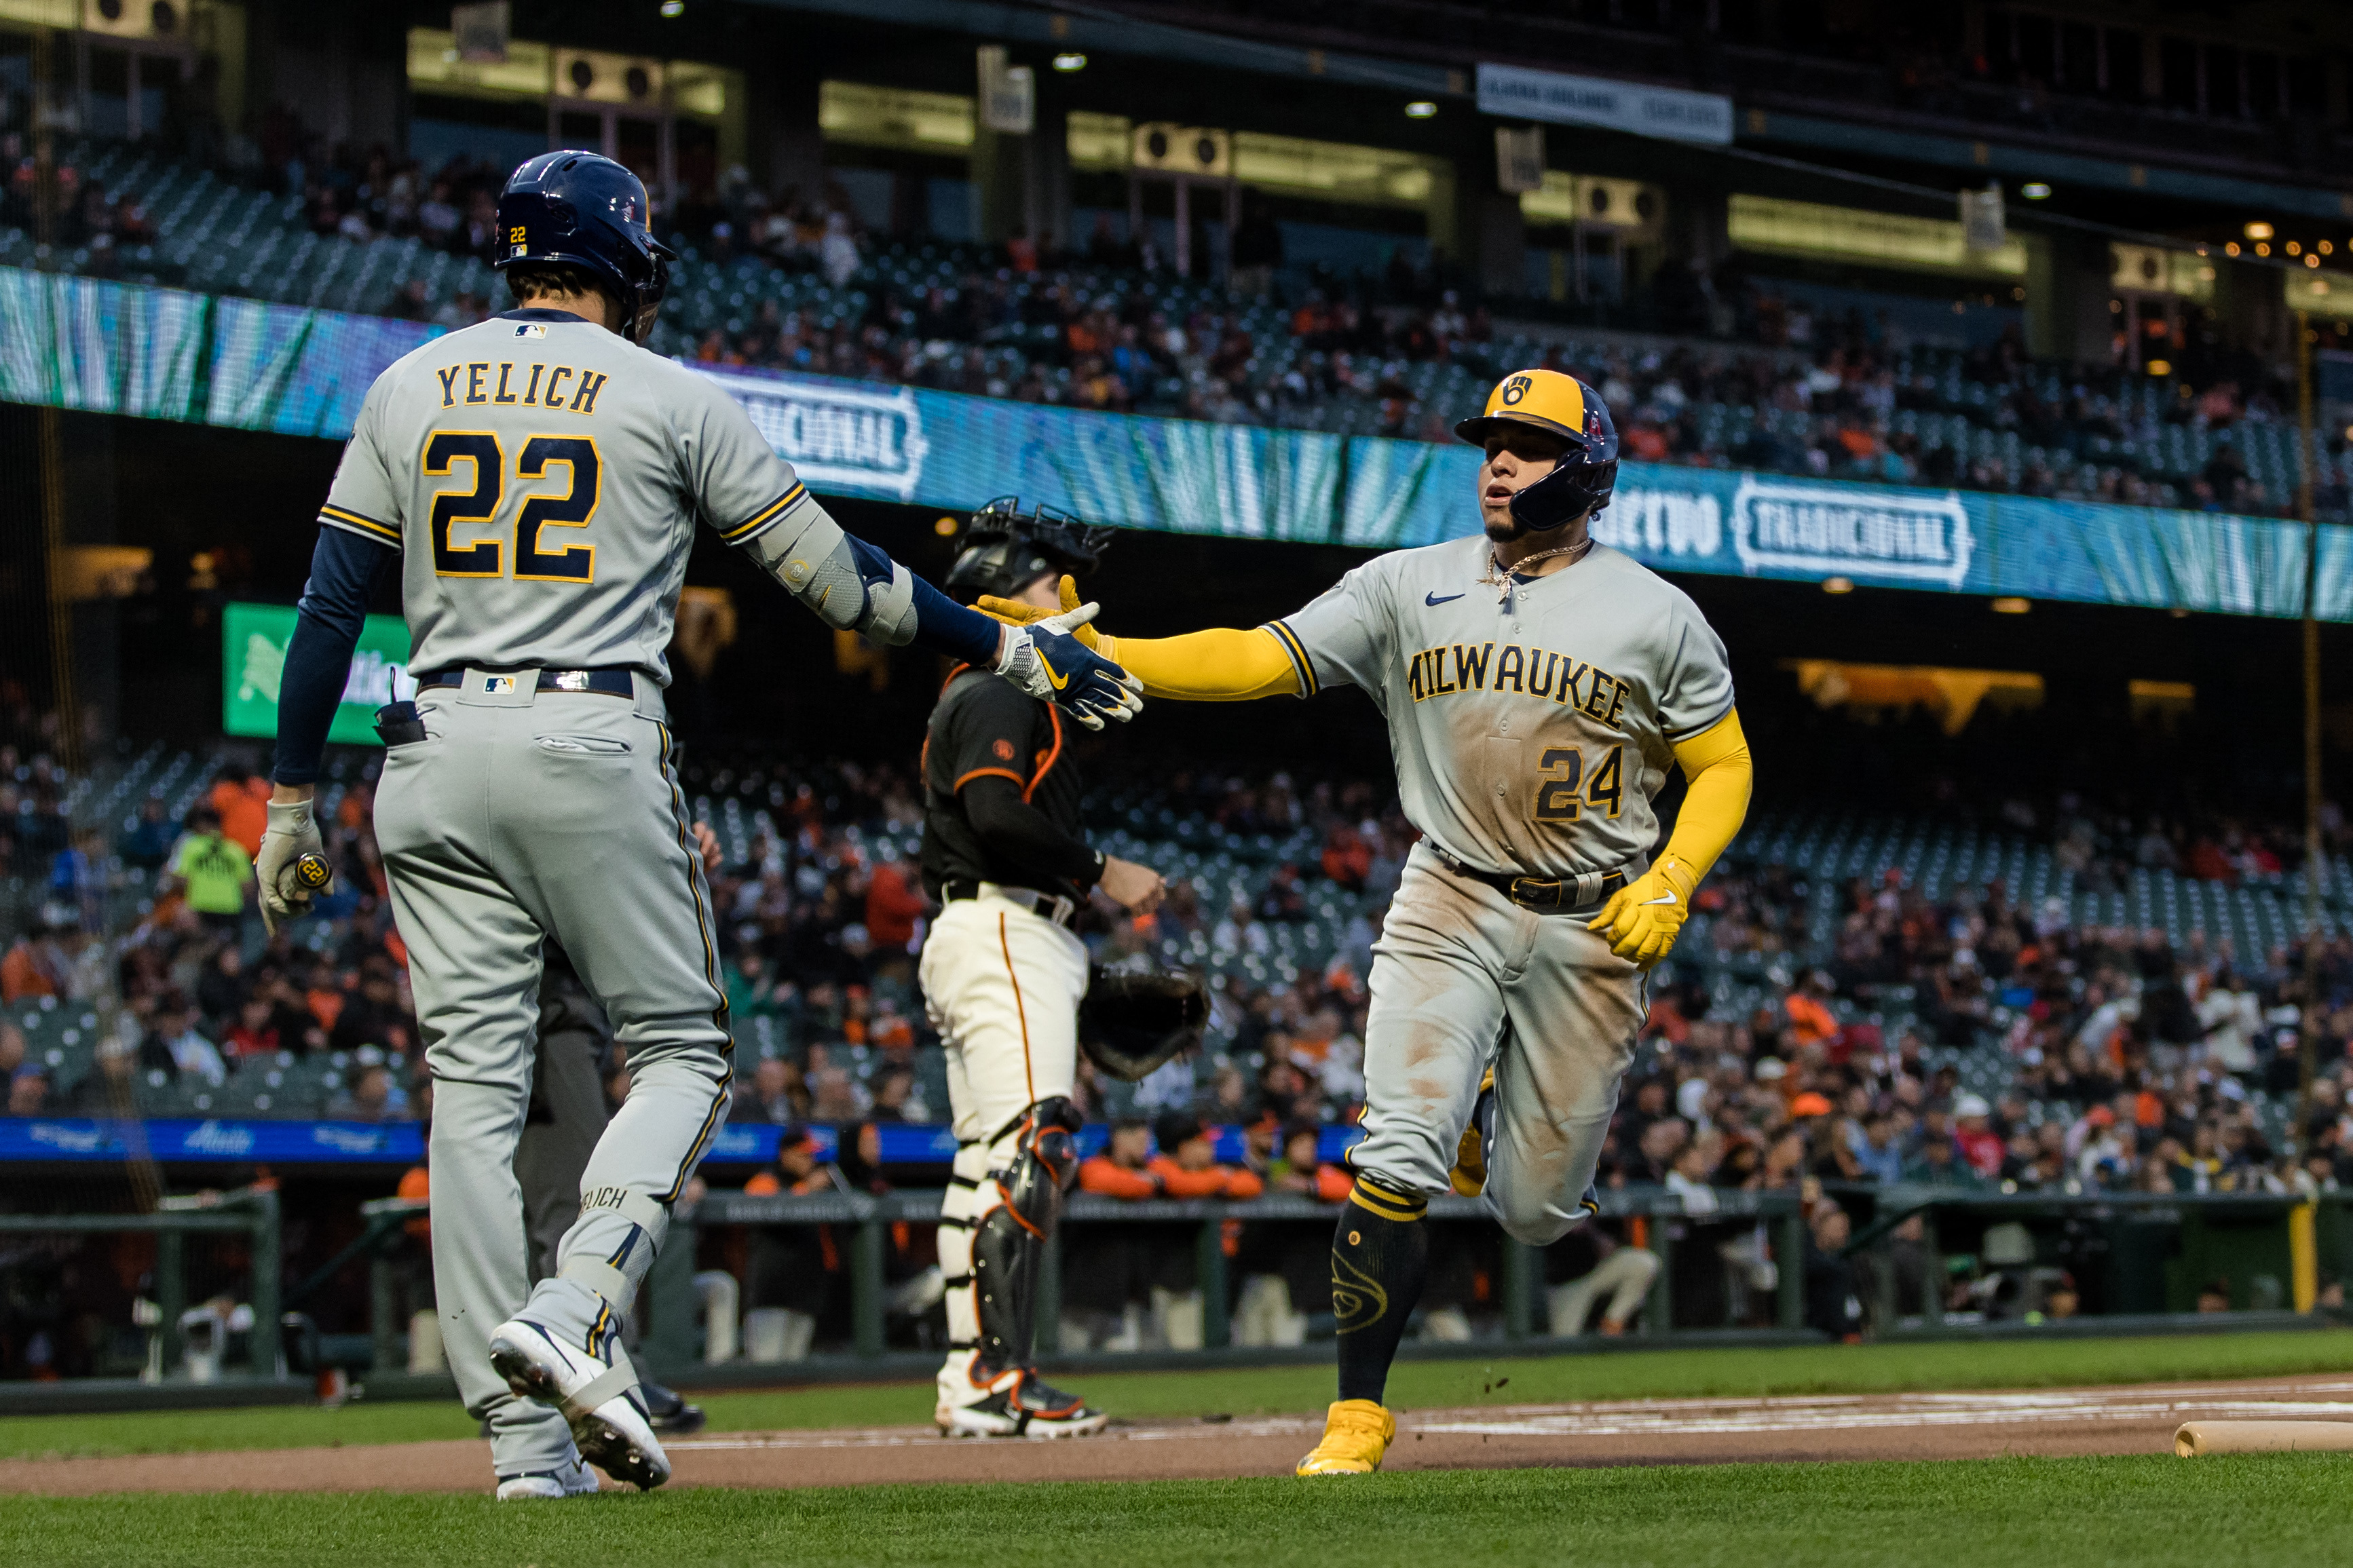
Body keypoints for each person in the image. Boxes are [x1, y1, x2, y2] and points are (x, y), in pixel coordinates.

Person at [253, 152, 1142, 1503]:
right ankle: (578, 1306)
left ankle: (526, 1457)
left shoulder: (406, 379)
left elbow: (326, 611)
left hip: (424, 746)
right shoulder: (668, 392)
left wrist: (288, 797)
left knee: (475, 1102)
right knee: (681, 1047)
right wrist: (1013, 648)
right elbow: (841, 584)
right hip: (589, 734)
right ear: (627, 260)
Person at [981, 367, 1752, 1474]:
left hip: (1594, 919)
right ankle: (1355, 1413)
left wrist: (1674, 876)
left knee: (1537, 1211)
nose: (1497, 460)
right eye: (1491, 441)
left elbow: (1723, 765)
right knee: (1397, 1145)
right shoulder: (1409, 582)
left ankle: (1496, 1116)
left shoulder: (1657, 613)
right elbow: (1262, 656)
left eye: (1526, 445)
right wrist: (1111, 655)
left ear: (1584, 470)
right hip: (1452, 892)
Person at [918, 499, 1168, 1438]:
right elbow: (994, 814)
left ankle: (967, 1380)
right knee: (1034, 1146)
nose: (1071, 591)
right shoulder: (998, 687)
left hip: (994, 932)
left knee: (984, 1163)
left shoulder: (991, 684)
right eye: (1052, 573)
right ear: (1011, 580)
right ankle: (996, 1376)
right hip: (1005, 930)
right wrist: (1105, 870)